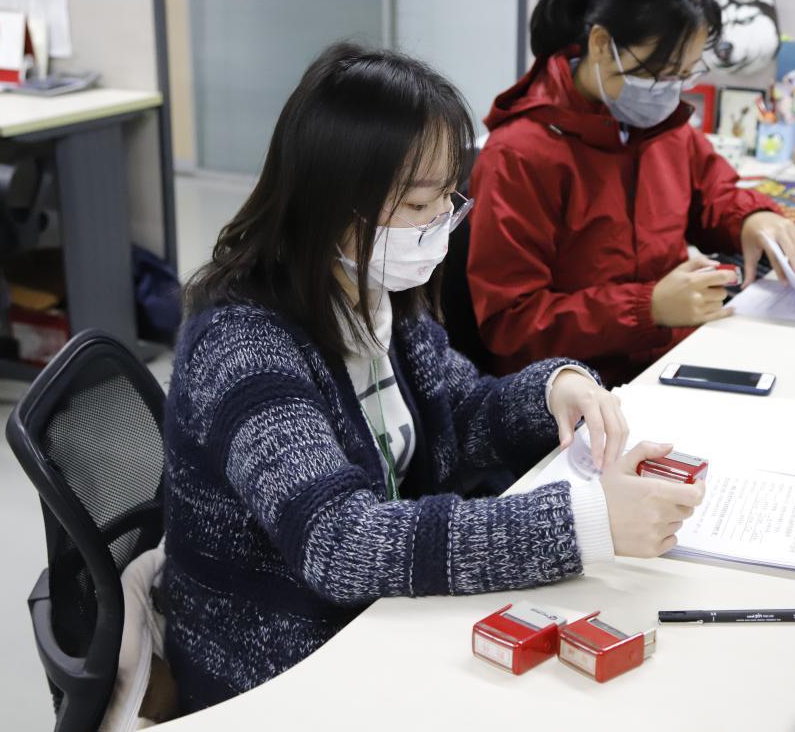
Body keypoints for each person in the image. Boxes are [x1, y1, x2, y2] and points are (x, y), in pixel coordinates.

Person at [162, 43, 705, 712]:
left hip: (384, 616)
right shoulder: (243, 343)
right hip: (282, 661)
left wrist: (555, 389)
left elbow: (463, 413)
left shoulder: (376, 295)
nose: (441, 223)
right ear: (333, 201)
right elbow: (340, 542)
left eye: (449, 196)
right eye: (421, 203)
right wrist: (584, 522)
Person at [468, 0, 795, 385]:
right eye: (659, 71)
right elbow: (511, 322)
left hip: (667, 361)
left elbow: (712, 195)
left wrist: (750, 218)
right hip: (573, 390)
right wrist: (647, 308)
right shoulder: (520, 154)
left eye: (684, 73)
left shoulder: (664, 129)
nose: (669, 90)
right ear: (600, 44)